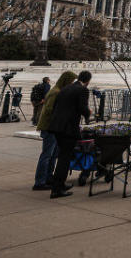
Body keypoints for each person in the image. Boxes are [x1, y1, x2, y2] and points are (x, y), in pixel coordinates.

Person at [47, 70, 92, 198]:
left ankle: (60, 184)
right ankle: (57, 189)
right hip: (68, 128)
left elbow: (57, 106)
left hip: (57, 127)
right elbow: (83, 108)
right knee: (64, 159)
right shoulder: (83, 90)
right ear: (88, 80)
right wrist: (89, 113)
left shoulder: (66, 88)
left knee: (63, 156)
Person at [32, 71, 76, 191]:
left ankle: (48, 178)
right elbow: (50, 111)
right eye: (71, 81)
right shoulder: (55, 92)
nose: (71, 84)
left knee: (53, 155)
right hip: (49, 127)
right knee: (47, 155)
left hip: (54, 127)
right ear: (66, 80)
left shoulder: (58, 91)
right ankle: (40, 182)